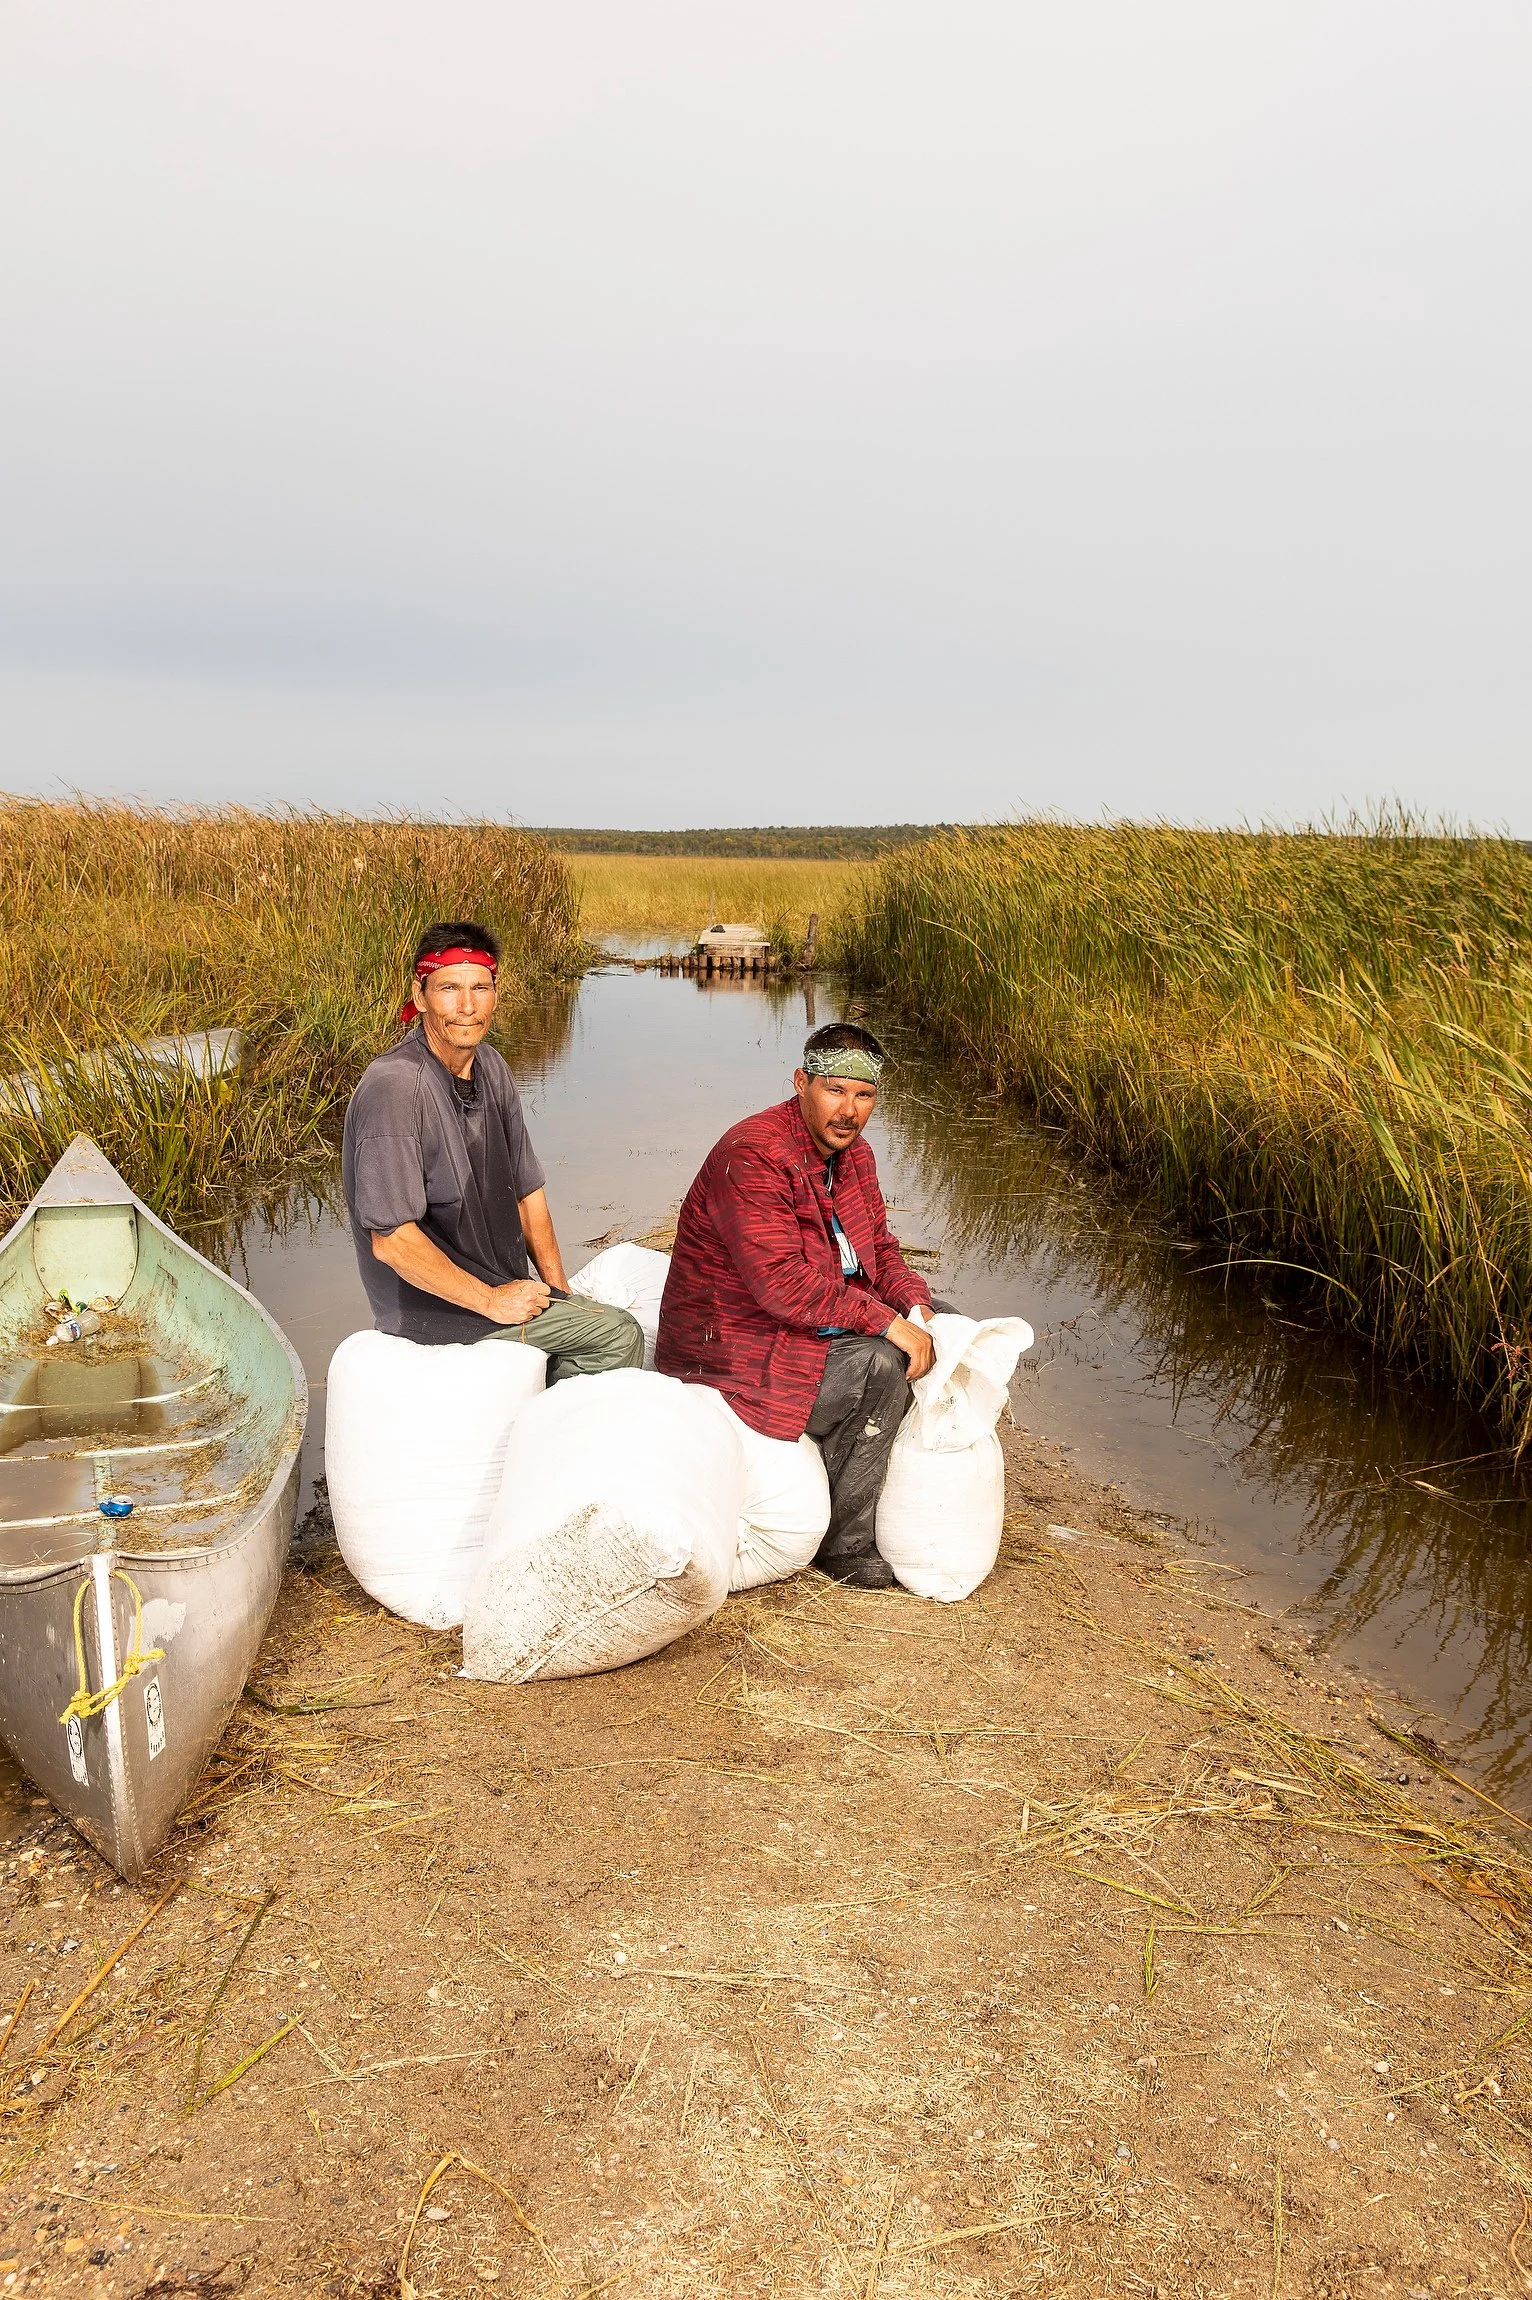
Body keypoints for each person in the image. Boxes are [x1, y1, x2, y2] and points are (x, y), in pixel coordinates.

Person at [656, 1021, 936, 1589]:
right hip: (732, 1345)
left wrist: (915, 1306)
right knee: (879, 1366)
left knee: (936, 1320)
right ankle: (843, 1545)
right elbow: (780, 1283)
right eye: (834, 1090)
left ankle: (854, 1481)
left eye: (864, 1096)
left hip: (806, 1323)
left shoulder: (855, 1156)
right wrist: (885, 1324)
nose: (849, 1111)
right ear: (800, 1082)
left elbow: (879, 1249)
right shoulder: (755, 1154)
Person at [342, 921, 644, 1379]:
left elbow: (527, 1193)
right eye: (449, 988)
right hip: (437, 1312)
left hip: (498, 1287)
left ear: (496, 994)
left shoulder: (492, 1066)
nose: (467, 1006)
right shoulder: (396, 1088)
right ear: (419, 995)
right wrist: (491, 1301)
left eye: (480, 987)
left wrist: (560, 1290)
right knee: (617, 1335)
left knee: (592, 1324)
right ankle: (556, 1439)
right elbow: (392, 1242)